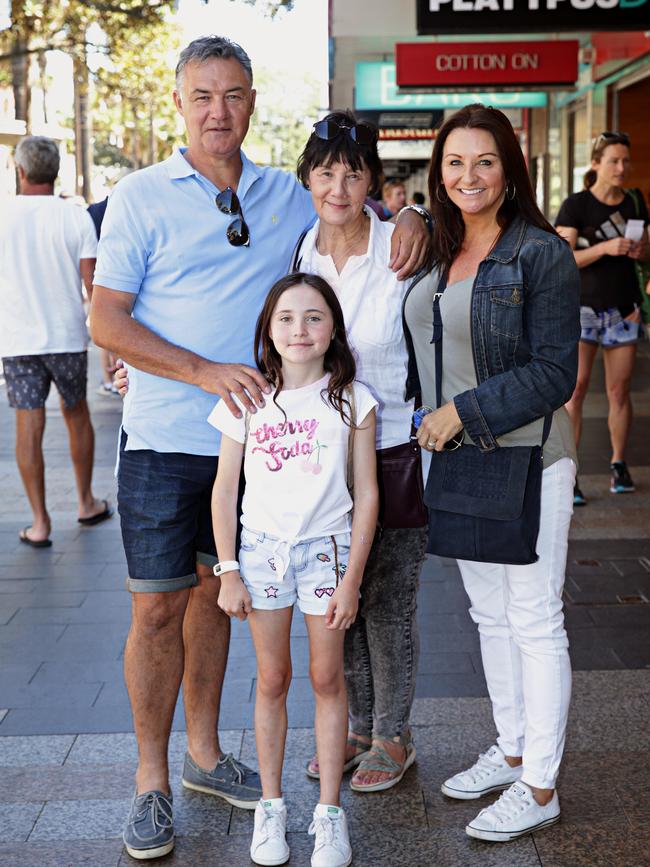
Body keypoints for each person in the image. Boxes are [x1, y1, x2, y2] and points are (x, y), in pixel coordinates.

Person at [89, 35, 428, 861]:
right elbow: (106, 321)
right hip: (169, 441)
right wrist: (201, 371)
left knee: (219, 597)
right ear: (178, 102)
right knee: (159, 605)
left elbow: (351, 211)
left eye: (234, 94)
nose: (219, 110)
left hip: (269, 453)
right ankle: (150, 781)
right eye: (202, 94)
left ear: (250, 102)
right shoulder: (138, 196)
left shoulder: (283, 192)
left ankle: (205, 756)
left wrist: (412, 211)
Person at [403, 104, 580, 842]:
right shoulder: (437, 248)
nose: (467, 175)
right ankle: (511, 749)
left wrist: (459, 412)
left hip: (529, 453)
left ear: (509, 171)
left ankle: (540, 783)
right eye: (453, 162)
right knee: (490, 615)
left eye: (483, 161)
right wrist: (412, 209)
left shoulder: (540, 253)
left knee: (535, 618)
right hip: (459, 459)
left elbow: (555, 372)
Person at [211, 272, 379, 867]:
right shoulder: (247, 398)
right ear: (269, 328)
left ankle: (329, 814)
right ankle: (272, 806)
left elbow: (367, 494)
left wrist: (354, 577)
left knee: (327, 678)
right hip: (261, 555)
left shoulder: (352, 398)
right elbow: (224, 487)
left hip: (328, 553)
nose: (299, 329)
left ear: (332, 327)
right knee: (272, 678)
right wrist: (228, 569)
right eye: (286, 317)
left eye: (313, 317)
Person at [294, 111, 429, 792]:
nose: (339, 186)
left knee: (387, 599)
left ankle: (393, 734)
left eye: (353, 172)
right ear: (307, 178)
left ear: (373, 179)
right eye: (326, 172)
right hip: (321, 455)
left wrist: (422, 217)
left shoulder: (400, 248)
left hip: (396, 446)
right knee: (334, 596)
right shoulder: (299, 254)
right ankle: (353, 726)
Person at [0, 136, 112, 549]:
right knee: (76, 414)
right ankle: (85, 503)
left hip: (18, 340)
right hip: (66, 337)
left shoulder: (3, 215)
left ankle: (40, 523)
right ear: (56, 171)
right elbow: (93, 284)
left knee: (28, 425)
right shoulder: (74, 217)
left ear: (21, 171)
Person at [556, 132, 649, 505]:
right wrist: (605, 248)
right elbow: (563, 258)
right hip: (581, 309)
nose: (622, 168)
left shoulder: (635, 203)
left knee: (619, 391)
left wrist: (642, 251)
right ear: (596, 164)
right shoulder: (577, 205)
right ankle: (570, 472)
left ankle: (618, 464)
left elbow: (645, 255)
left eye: (626, 161)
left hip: (623, 307)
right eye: (614, 160)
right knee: (575, 391)